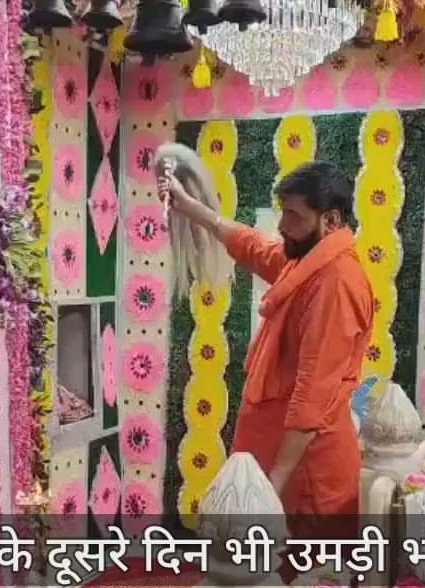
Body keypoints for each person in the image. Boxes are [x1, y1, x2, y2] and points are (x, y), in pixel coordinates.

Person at [158, 159, 374, 522]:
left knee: (296, 559)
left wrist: (271, 488)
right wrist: (191, 207)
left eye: (293, 215)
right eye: (282, 212)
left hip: (306, 472)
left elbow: (312, 395)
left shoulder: (335, 282)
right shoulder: (308, 261)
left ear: (331, 220)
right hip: (279, 456)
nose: (282, 225)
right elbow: (254, 247)